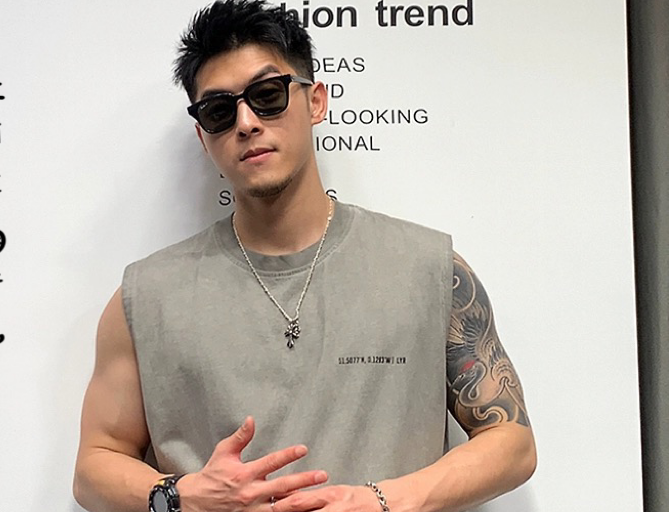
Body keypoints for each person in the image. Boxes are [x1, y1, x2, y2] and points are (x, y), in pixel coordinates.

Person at [72, 1, 537, 511]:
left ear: (315, 101)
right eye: (219, 111)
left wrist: (385, 501)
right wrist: (183, 496)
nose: (246, 123)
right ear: (203, 136)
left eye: (268, 95)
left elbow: (512, 443)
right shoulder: (146, 297)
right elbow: (94, 466)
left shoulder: (430, 268)